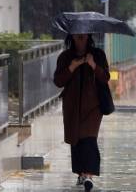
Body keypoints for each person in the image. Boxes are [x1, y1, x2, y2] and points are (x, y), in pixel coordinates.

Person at [53, 34, 110, 192]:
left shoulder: (98, 55)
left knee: (89, 139)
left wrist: (93, 65)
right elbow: (58, 81)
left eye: (83, 37)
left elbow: (105, 77)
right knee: (76, 139)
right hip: (72, 106)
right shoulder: (65, 57)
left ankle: (88, 176)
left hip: (93, 107)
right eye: (77, 37)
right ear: (72, 38)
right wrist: (72, 66)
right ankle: (81, 173)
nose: (80, 40)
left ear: (88, 37)